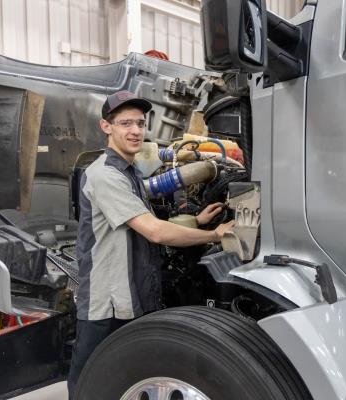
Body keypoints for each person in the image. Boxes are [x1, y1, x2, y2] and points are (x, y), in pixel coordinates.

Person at [67, 90, 235, 399]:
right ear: (107, 127)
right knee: (91, 383)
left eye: (140, 124)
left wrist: (197, 221)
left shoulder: (129, 173)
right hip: (107, 302)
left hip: (132, 295)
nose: (135, 131)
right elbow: (154, 231)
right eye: (125, 123)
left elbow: (146, 218)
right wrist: (216, 235)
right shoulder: (104, 175)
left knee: (126, 375)